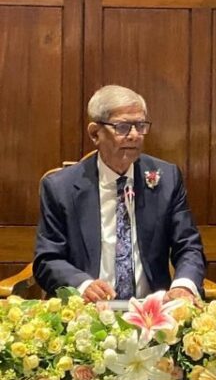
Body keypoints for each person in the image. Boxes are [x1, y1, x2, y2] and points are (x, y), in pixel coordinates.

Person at [33, 85, 206, 303]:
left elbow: (189, 246)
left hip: (152, 310)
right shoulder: (60, 187)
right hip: (88, 310)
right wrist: (82, 285)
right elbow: (47, 259)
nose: (134, 135)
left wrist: (183, 285)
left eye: (140, 126)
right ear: (95, 133)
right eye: (122, 127)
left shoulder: (167, 178)